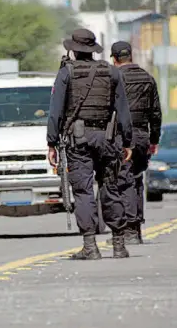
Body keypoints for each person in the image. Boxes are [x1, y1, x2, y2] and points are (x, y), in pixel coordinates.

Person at [47, 28, 133, 260]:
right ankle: (118, 245)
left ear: (73, 50)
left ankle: (90, 246)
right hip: (108, 139)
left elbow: (55, 112)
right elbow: (123, 110)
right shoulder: (112, 71)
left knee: (84, 191)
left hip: (79, 140)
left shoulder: (66, 73)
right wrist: (128, 141)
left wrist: (51, 143)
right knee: (110, 187)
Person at [109, 41, 162, 244]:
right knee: (137, 179)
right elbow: (156, 113)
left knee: (124, 182)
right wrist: (154, 140)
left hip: (122, 136)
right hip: (142, 136)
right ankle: (136, 229)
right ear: (131, 55)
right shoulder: (147, 78)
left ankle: (130, 230)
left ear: (113, 58)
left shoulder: (113, 77)